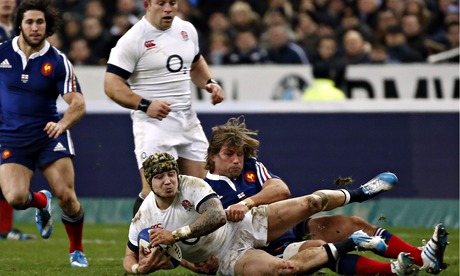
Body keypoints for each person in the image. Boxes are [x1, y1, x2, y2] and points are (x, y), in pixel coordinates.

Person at [202, 116, 449, 275]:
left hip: (291, 226)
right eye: (229, 154)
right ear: (212, 156)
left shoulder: (252, 166)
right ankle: (393, 270)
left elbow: (280, 190)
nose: (237, 160)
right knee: (322, 249)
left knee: (353, 223)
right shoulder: (204, 190)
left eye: (240, 154)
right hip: (263, 248)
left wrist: (246, 203)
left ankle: (422, 257)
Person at [124, 151, 403, 275]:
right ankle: (353, 242)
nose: (168, 181)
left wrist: (176, 235)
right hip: (226, 257)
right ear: (150, 182)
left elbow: (216, 217)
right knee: (284, 270)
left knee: (309, 204)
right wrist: (140, 268)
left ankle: (360, 193)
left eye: (171, 174)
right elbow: (130, 257)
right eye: (160, 177)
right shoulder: (145, 216)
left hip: (241, 225)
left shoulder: (193, 184)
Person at [104, 0, 225, 217]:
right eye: (161, 3)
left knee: (202, 189)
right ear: (147, 4)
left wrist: (211, 82)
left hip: (187, 120)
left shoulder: (186, 30)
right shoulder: (132, 39)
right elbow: (111, 85)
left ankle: (196, 247)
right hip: (153, 125)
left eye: (172, 3)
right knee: (155, 191)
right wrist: (145, 104)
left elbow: (195, 63)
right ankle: (138, 245)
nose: (168, 8)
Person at [0, 0, 88, 267]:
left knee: (67, 197)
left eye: (40, 22)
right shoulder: (2, 52)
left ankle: (76, 250)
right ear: (20, 25)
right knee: (15, 198)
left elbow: (78, 103)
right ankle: (40, 201)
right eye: (30, 22)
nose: (35, 27)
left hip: (50, 135)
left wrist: (62, 125)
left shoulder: (58, 61)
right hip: (12, 138)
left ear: (48, 26)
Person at [0, 0, 36, 241]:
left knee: (7, 169)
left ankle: (4, 228)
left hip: (14, 112)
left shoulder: (21, 32)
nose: (6, 2)